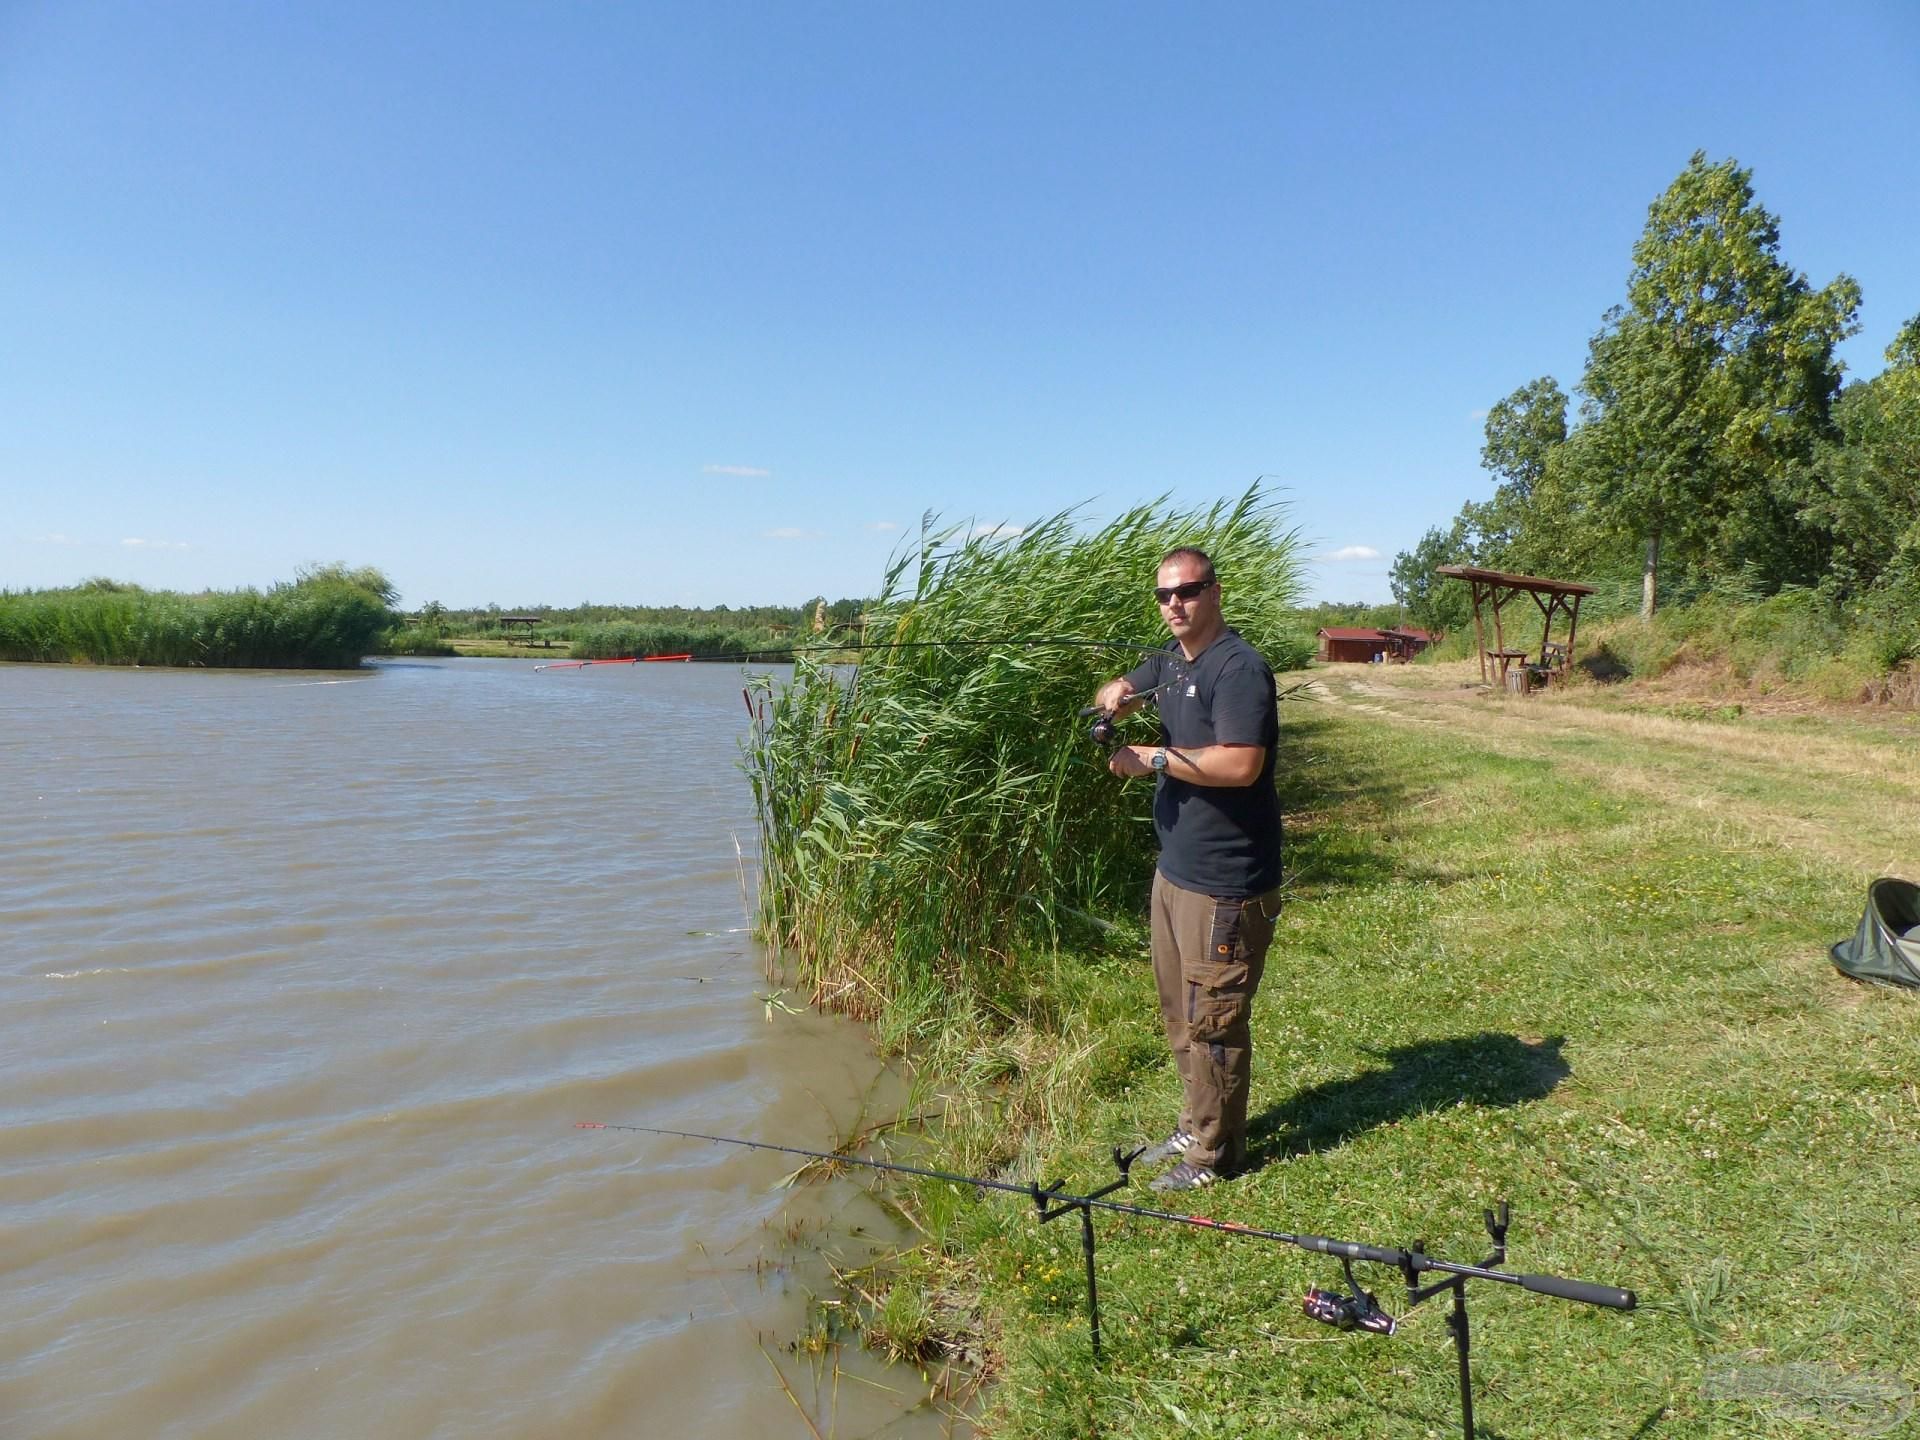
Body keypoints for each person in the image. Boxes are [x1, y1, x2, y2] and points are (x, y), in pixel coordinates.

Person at [1092, 546, 1282, 1192]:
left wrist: (1155, 759)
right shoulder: (1173, 663)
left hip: (1227, 881)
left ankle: (1215, 1155)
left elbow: (1240, 764)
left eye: (1188, 591)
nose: (1175, 604)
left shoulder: (1239, 669)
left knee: (1217, 1021)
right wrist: (1115, 697)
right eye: (1165, 595)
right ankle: (1195, 1120)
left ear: (1215, 593)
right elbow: (1125, 688)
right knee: (1181, 1013)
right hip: (1175, 873)